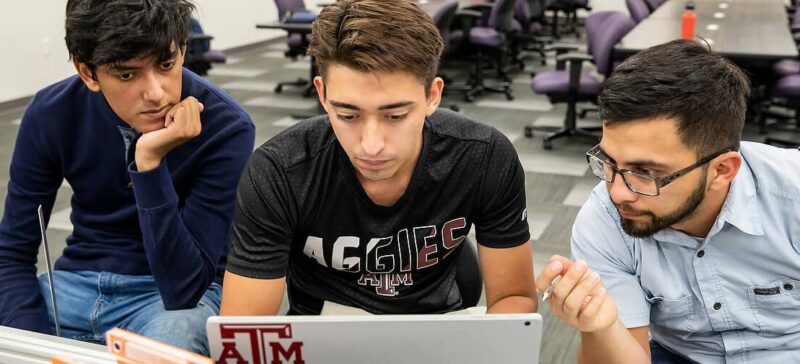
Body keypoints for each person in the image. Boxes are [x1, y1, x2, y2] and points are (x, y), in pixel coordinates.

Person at [220, 0, 537, 317]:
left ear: (432, 96)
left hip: (437, 333)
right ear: (322, 94)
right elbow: (245, 331)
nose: (371, 146)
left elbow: (514, 299)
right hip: (321, 341)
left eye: (396, 115)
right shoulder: (279, 171)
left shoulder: (482, 156)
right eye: (348, 115)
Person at [0, 0, 255, 355]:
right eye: (126, 74)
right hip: (73, 287)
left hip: (172, 300)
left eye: (166, 65)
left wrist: (149, 163)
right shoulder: (51, 113)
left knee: (174, 339)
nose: (156, 93)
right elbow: (11, 254)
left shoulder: (226, 127)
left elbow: (185, 287)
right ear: (87, 73)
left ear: (182, 49)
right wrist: (34, 345)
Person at [535, 39, 800, 363]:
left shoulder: (791, 195)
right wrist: (600, 327)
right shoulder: (605, 218)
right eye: (609, 161)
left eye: (646, 172)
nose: (618, 192)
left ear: (721, 170)